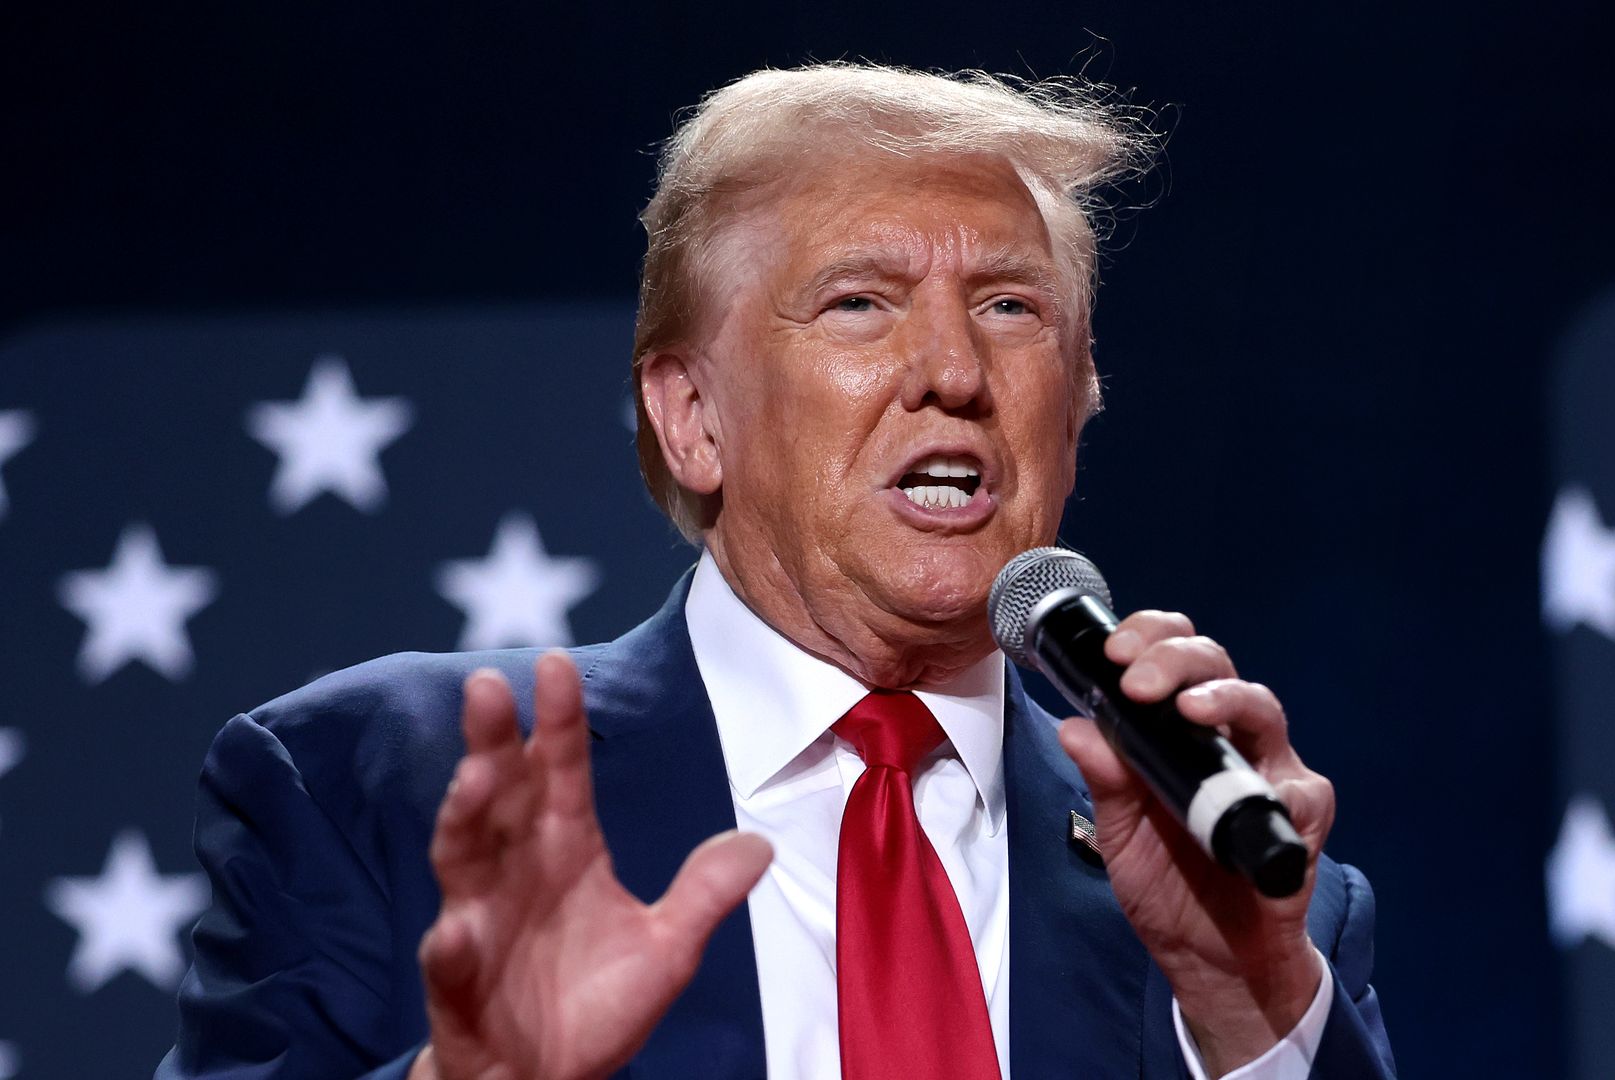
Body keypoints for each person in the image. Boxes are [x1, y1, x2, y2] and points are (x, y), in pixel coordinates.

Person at [157, 64, 1396, 1080]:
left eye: (1013, 309)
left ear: (1074, 412)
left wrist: (1251, 1012)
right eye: (860, 303)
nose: (953, 371)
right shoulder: (375, 785)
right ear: (692, 417)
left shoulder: (1249, 886)